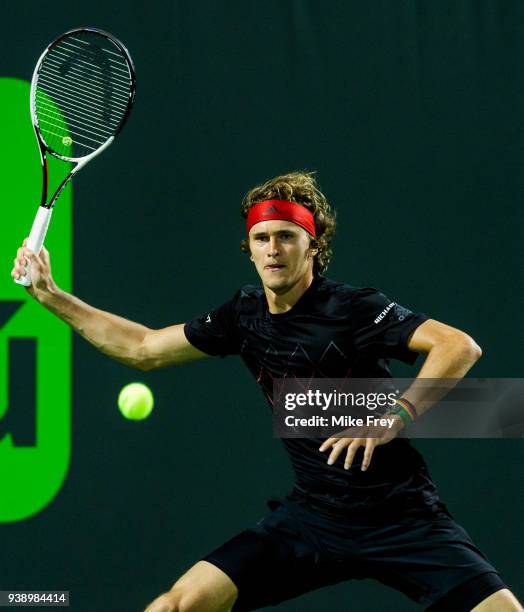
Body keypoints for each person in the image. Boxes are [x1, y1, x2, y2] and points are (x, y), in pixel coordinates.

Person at [12, 172, 521, 612]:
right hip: (312, 519)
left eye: (286, 236)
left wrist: (397, 414)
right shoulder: (244, 315)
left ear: (313, 246)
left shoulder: (353, 307)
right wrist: (51, 297)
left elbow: (458, 346)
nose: (273, 249)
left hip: (403, 519)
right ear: (248, 249)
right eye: (261, 238)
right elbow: (143, 347)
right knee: (177, 605)